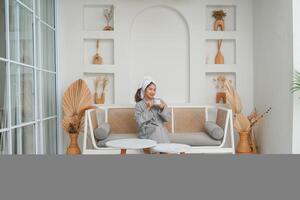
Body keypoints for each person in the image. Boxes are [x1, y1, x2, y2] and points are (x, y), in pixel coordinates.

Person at [134, 77, 171, 144]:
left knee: (159, 128)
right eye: (150, 89)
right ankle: (162, 151)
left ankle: (160, 151)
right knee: (157, 129)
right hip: (146, 131)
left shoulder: (159, 101)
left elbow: (167, 118)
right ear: (144, 90)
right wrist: (148, 108)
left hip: (160, 131)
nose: (153, 92)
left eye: (154, 90)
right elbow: (139, 122)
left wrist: (162, 108)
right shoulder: (139, 105)